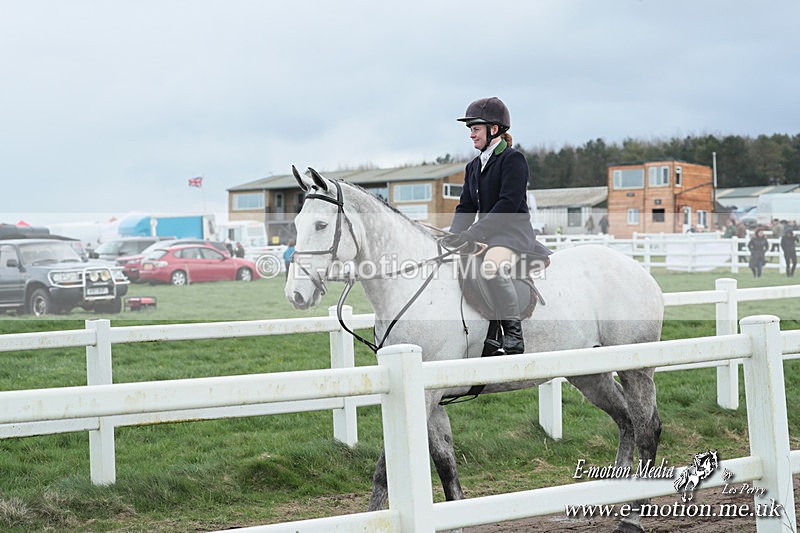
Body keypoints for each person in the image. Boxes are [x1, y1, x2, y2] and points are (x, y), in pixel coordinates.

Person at [448, 96, 551, 355]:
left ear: (494, 129)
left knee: (492, 267)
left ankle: (513, 334)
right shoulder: (473, 166)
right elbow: (466, 206)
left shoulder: (513, 160)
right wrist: (453, 235)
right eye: (470, 130)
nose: (471, 135)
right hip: (485, 235)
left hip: (511, 236)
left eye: (476, 129)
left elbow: (507, 205)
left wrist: (473, 233)